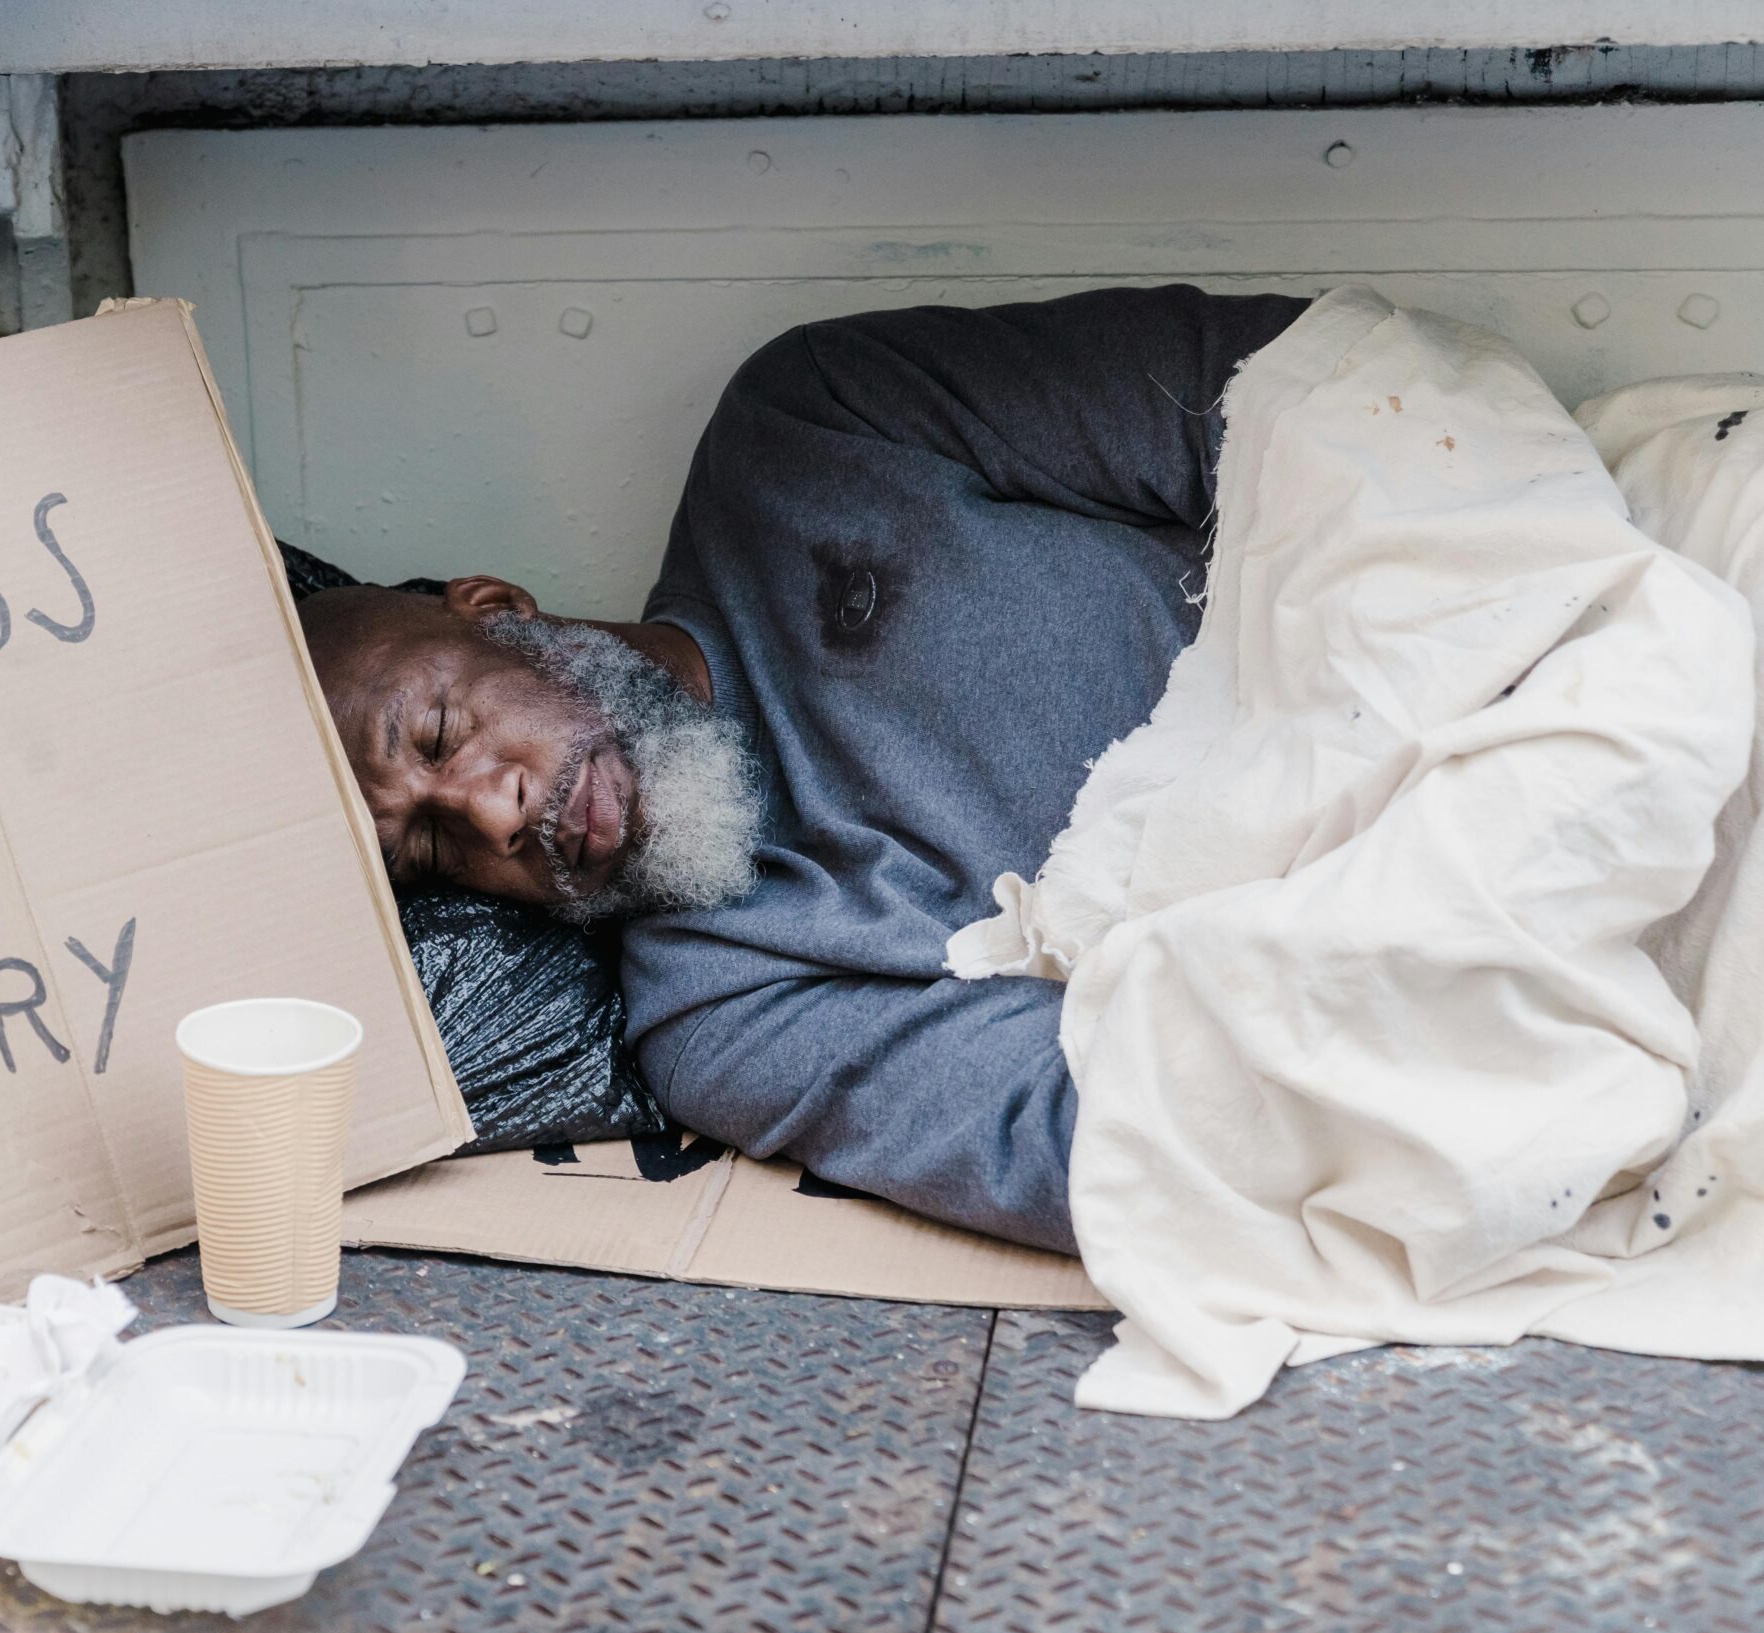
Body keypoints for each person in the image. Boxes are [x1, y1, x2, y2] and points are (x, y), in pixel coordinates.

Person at [300, 286, 1309, 1252]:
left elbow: (1301, 399)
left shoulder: (814, 425)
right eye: (427, 850)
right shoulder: (723, 1009)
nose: (488, 815)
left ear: (497, 609)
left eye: (437, 734)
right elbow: (1130, 1143)